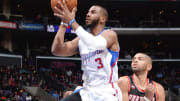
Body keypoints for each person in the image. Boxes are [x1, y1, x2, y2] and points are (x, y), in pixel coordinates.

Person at [51, 1, 122, 101]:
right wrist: (64, 23)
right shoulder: (81, 40)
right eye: (88, 12)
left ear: (102, 19)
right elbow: (57, 50)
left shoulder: (110, 34)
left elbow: (94, 44)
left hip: (107, 93)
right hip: (87, 92)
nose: (88, 14)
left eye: (93, 12)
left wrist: (72, 22)